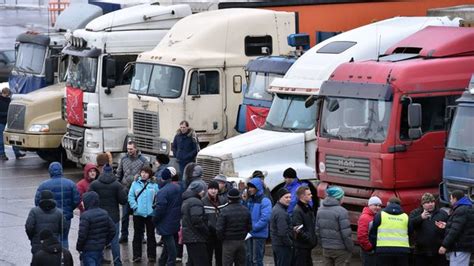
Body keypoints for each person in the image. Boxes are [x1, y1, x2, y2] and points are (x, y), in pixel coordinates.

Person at [34, 161, 80, 249]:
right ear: (61, 171)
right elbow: (76, 200)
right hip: (66, 216)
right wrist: (70, 209)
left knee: (52, 239)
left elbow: (37, 202)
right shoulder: (70, 184)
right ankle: (64, 259)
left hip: (50, 217)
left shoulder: (43, 185)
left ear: (50, 171)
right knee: (64, 239)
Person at [89, 163, 128, 266]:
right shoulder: (117, 185)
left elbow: (89, 199)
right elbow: (123, 201)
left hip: (98, 217)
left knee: (99, 240)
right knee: (114, 241)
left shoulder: (95, 184)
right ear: (112, 172)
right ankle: (117, 262)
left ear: (102, 172)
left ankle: (99, 260)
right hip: (113, 217)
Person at [116, 140, 148, 243]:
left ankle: (141, 235)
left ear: (136, 148)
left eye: (131, 149)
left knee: (139, 215)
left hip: (139, 192)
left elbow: (147, 175)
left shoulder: (143, 160)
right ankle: (124, 235)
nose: (129, 151)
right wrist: (118, 187)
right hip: (126, 191)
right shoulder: (123, 159)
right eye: (128, 149)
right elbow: (119, 173)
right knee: (125, 215)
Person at [128, 166, 159, 263]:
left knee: (151, 235)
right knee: (137, 235)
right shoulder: (134, 184)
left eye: (146, 172)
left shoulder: (154, 185)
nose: (144, 174)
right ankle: (136, 256)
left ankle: (152, 255)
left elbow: (158, 197)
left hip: (150, 214)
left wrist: (155, 207)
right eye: (142, 172)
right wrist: (135, 207)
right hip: (138, 214)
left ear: (150, 174)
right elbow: (130, 196)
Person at [153, 167, 183, 266]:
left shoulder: (162, 192)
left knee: (170, 248)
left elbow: (160, 209)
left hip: (165, 223)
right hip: (174, 221)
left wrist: (154, 219)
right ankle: (162, 262)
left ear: (163, 178)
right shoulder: (178, 188)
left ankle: (170, 263)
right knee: (167, 246)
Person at [316, 186, 353, 266]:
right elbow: (346, 234)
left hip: (326, 249)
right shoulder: (342, 211)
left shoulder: (320, 210)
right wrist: (350, 247)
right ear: (339, 197)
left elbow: (317, 230)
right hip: (340, 250)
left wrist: (323, 244)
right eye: (343, 196)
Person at [77, 191, 116, 265]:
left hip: (88, 250)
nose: (82, 203)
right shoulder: (104, 213)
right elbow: (113, 229)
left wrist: (79, 247)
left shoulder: (85, 216)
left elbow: (82, 235)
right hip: (100, 248)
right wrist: (105, 242)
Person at [409, 193, 448, 266]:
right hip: (421, 252)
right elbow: (409, 226)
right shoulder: (416, 213)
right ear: (422, 204)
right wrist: (420, 218)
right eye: (427, 202)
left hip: (438, 252)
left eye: (432, 202)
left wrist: (445, 226)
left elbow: (449, 230)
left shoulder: (442, 213)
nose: (430, 204)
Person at [369, 197, 411, 266]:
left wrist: (374, 247)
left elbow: (373, 233)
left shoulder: (380, 215)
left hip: (383, 251)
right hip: (402, 251)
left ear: (388, 204)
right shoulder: (406, 217)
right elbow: (410, 232)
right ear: (400, 205)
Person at [437, 190, 474, 266]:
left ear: (455, 199)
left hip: (459, 248)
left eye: (451, 199)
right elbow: (461, 226)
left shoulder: (461, 210)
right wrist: (446, 225)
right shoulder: (466, 208)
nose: (450, 201)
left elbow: (455, 230)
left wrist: (444, 245)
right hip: (463, 247)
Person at [217, 188, 252, 266]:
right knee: (241, 263)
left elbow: (219, 229)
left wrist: (222, 238)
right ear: (239, 198)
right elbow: (249, 227)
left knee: (227, 263)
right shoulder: (246, 210)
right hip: (242, 242)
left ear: (228, 198)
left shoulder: (224, 211)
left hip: (228, 242)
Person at [243, 177, 272, 266]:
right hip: (250, 233)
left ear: (258, 187)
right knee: (249, 258)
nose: (250, 189)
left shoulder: (265, 200)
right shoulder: (250, 200)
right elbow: (245, 213)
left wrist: (253, 228)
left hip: (258, 234)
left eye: (252, 187)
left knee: (257, 260)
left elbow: (265, 218)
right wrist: (244, 201)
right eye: (249, 187)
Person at [25, 190, 64, 255]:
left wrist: (32, 238)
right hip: (53, 244)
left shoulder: (34, 211)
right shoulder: (59, 212)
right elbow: (63, 228)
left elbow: (29, 227)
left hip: (37, 244)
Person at [181, 180, 209, 266]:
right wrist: (206, 231)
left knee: (192, 261)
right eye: (202, 190)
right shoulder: (196, 202)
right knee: (201, 262)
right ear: (197, 191)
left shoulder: (186, 201)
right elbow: (197, 220)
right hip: (196, 237)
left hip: (189, 236)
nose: (203, 192)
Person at [202, 180, 228, 266]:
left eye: (215, 189)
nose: (213, 191)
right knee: (207, 258)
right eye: (211, 189)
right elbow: (202, 219)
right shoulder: (203, 201)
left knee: (220, 258)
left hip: (220, 234)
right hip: (208, 234)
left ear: (218, 190)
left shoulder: (223, 201)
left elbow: (226, 216)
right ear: (208, 189)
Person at [294, 186, 318, 266]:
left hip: (307, 246)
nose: (311, 195)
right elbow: (298, 229)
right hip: (302, 246)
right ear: (302, 196)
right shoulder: (298, 210)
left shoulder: (307, 207)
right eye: (309, 194)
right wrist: (309, 239)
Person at [0, 87, 25, 160]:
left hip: (7, 122)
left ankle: (12, 153)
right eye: (7, 94)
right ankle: (3, 154)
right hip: (4, 121)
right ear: (5, 93)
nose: (8, 96)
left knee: (11, 137)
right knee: (11, 138)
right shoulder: (9, 101)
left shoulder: (9, 101)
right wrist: (8, 114)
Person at [270, 188, 293, 266]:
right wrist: (290, 243)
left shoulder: (277, 208)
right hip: (282, 246)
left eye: (290, 197)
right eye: (286, 197)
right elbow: (282, 232)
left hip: (277, 244)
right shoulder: (281, 212)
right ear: (279, 198)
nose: (289, 199)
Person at [357, 196, 382, 266]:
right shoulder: (365, 217)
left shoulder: (375, 216)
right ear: (369, 205)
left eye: (379, 206)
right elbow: (361, 236)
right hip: (368, 251)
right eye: (375, 205)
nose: (378, 207)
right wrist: (369, 248)